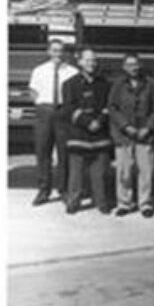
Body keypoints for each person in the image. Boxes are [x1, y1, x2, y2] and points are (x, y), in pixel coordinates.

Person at [62, 48, 113, 214]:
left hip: (99, 134)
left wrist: (98, 122)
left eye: (94, 60)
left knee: (99, 173)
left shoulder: (104, 84)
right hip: (78, 134)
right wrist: (87, 122)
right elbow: (69, 108)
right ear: (79, 62)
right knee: (76, 174)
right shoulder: (69, 84)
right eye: (88, 60)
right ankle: (73, 202)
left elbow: (108, 107)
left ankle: (101, 202)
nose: (91, 63)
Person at [28, 38, 78, 206]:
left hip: (63, 113)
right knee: (43, 152)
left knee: (64, 153)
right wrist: (44, 106)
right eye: (54, 50)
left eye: (61, 50)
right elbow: (33, 92)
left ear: (64, 52)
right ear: (49, 52)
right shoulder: (39, 70)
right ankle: (43, 190)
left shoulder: (72, 71)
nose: (58, 54)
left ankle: (63, 189)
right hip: (45, 112)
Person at [108, 53, 154, 218]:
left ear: (140, 65)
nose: (133, 67)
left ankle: (145, 203)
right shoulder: (118, 85)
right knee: (124, 171)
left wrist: (148, 127)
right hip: (124, 134)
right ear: (124, 67)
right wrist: (125, 126)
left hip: (145, 134)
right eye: (129, 64)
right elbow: (112, 108)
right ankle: (124, 203)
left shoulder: (150, 83)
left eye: (136, 64)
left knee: (146, 171)